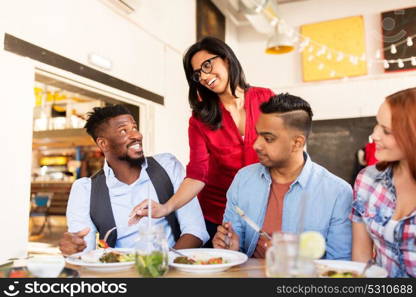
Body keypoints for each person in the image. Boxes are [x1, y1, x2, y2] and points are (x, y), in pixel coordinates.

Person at [129, 37, 274, 246]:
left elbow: (284, 150)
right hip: (218, 216)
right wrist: (165, 208)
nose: (204, 76)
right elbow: (198, 174)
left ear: (226, 58)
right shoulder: (200, 119)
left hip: (263, 211)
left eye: (207, 65)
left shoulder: (266, 98)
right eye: (198, 74)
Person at [212, 93, 352, 260]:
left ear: (297, 143)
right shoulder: (243, 179)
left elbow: (340, 264)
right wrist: (230, 250)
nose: (256, 145)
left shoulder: (337, 193)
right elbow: (233, 248)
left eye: (268, 138)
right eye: (257, 135)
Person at [59, 105, 209, 255]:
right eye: (124, 130)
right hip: (119, 273)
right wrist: (73, 249)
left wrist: (160, 266)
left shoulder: (168, 166)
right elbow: (84, 250)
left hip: (172, 269)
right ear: (103, 143)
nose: (137, 135)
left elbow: (195, 231)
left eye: (135, 128)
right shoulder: (85, 190)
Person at [351, 87, 416, 277]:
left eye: (386, 131)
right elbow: (361, 259)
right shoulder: (368, 180)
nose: (375, 135)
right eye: (377, 124)